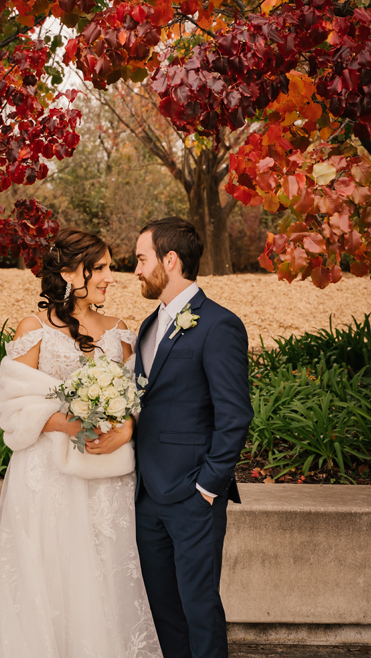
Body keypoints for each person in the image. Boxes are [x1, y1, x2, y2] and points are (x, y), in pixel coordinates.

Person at [0, 228, 162, 658]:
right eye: (99, 268)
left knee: (104, 570)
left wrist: (126, 428)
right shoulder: (35, 328)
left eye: (110, 267)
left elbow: (139, 398)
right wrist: (67, 423)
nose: (110, 277)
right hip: (47, 475)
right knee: (49, 571)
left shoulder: (121, 332)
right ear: (68, 273)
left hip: (105, 474)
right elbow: (14, 403)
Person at [133, 217, 253, 658]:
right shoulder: (148, 325)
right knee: (164, 611)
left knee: (199, 608)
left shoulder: (220, 325)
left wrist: (207, 486)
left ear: (170, 260)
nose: (136, 270)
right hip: (147, 495)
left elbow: (235, 414)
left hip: (192, 496)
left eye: (141, 259)